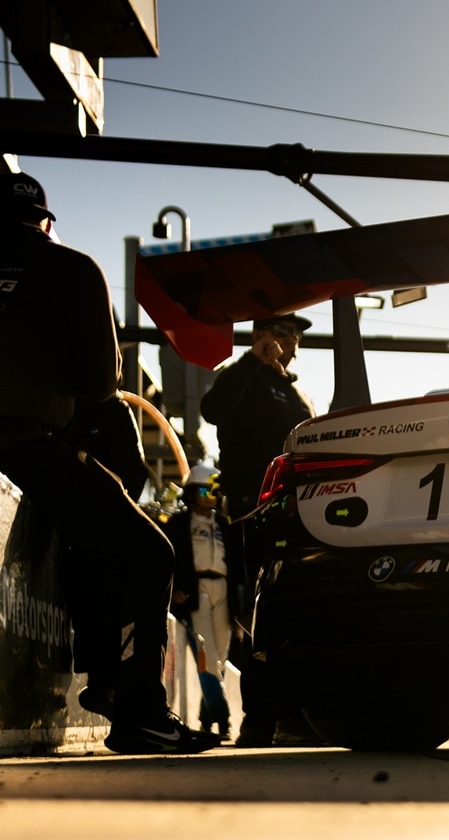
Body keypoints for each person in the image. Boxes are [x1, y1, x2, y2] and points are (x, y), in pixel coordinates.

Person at [0, 171, 216, 753]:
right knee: (148, 549)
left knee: (93, 529)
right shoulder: (72, 268)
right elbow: (99, 383)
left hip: (22, 456)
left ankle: (105, 680)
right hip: (24, 442)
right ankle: (141, 711)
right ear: (47, 221)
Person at [200, 314, 316, 745]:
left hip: (299, 516)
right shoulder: (240, 376)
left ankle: (295, 713)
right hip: (251, 513)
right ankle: (261, 719)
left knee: (294, 612)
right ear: (260, 335)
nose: (291, 341)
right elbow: (212, 410)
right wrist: (252, 361)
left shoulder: (296, 391)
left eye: (296, 333)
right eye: (282, 332)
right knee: (255, 619)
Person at [163, 463, 233, 737]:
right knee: (207, 657)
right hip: (197, 591)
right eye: (203, 491)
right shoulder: (179, 523)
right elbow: (169, 557)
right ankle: (223, 718)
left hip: (224, 591)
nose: (209, 498)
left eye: (213, 492)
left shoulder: (224, 524)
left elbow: (236, 565)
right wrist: (175, 589)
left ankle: (206, 716)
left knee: (220, 660)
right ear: (191, 494)